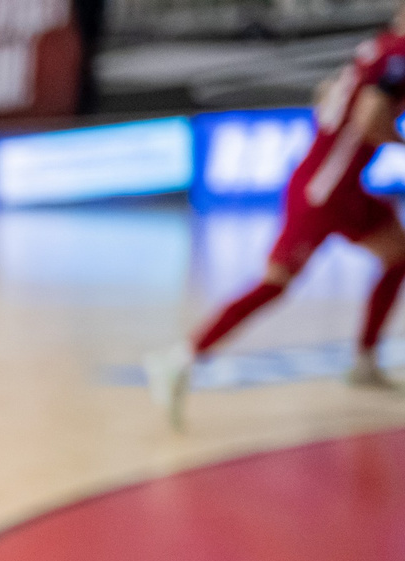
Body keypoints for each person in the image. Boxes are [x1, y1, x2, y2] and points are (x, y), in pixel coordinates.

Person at [145, 11, 405, 429]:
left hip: (341, 185)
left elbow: (327, 94)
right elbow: (370, 120)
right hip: (324, 191)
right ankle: (180, 359)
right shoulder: (399, 55)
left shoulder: (377, 47)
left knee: (398, 254)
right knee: (276, 283)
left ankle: (365, 360)